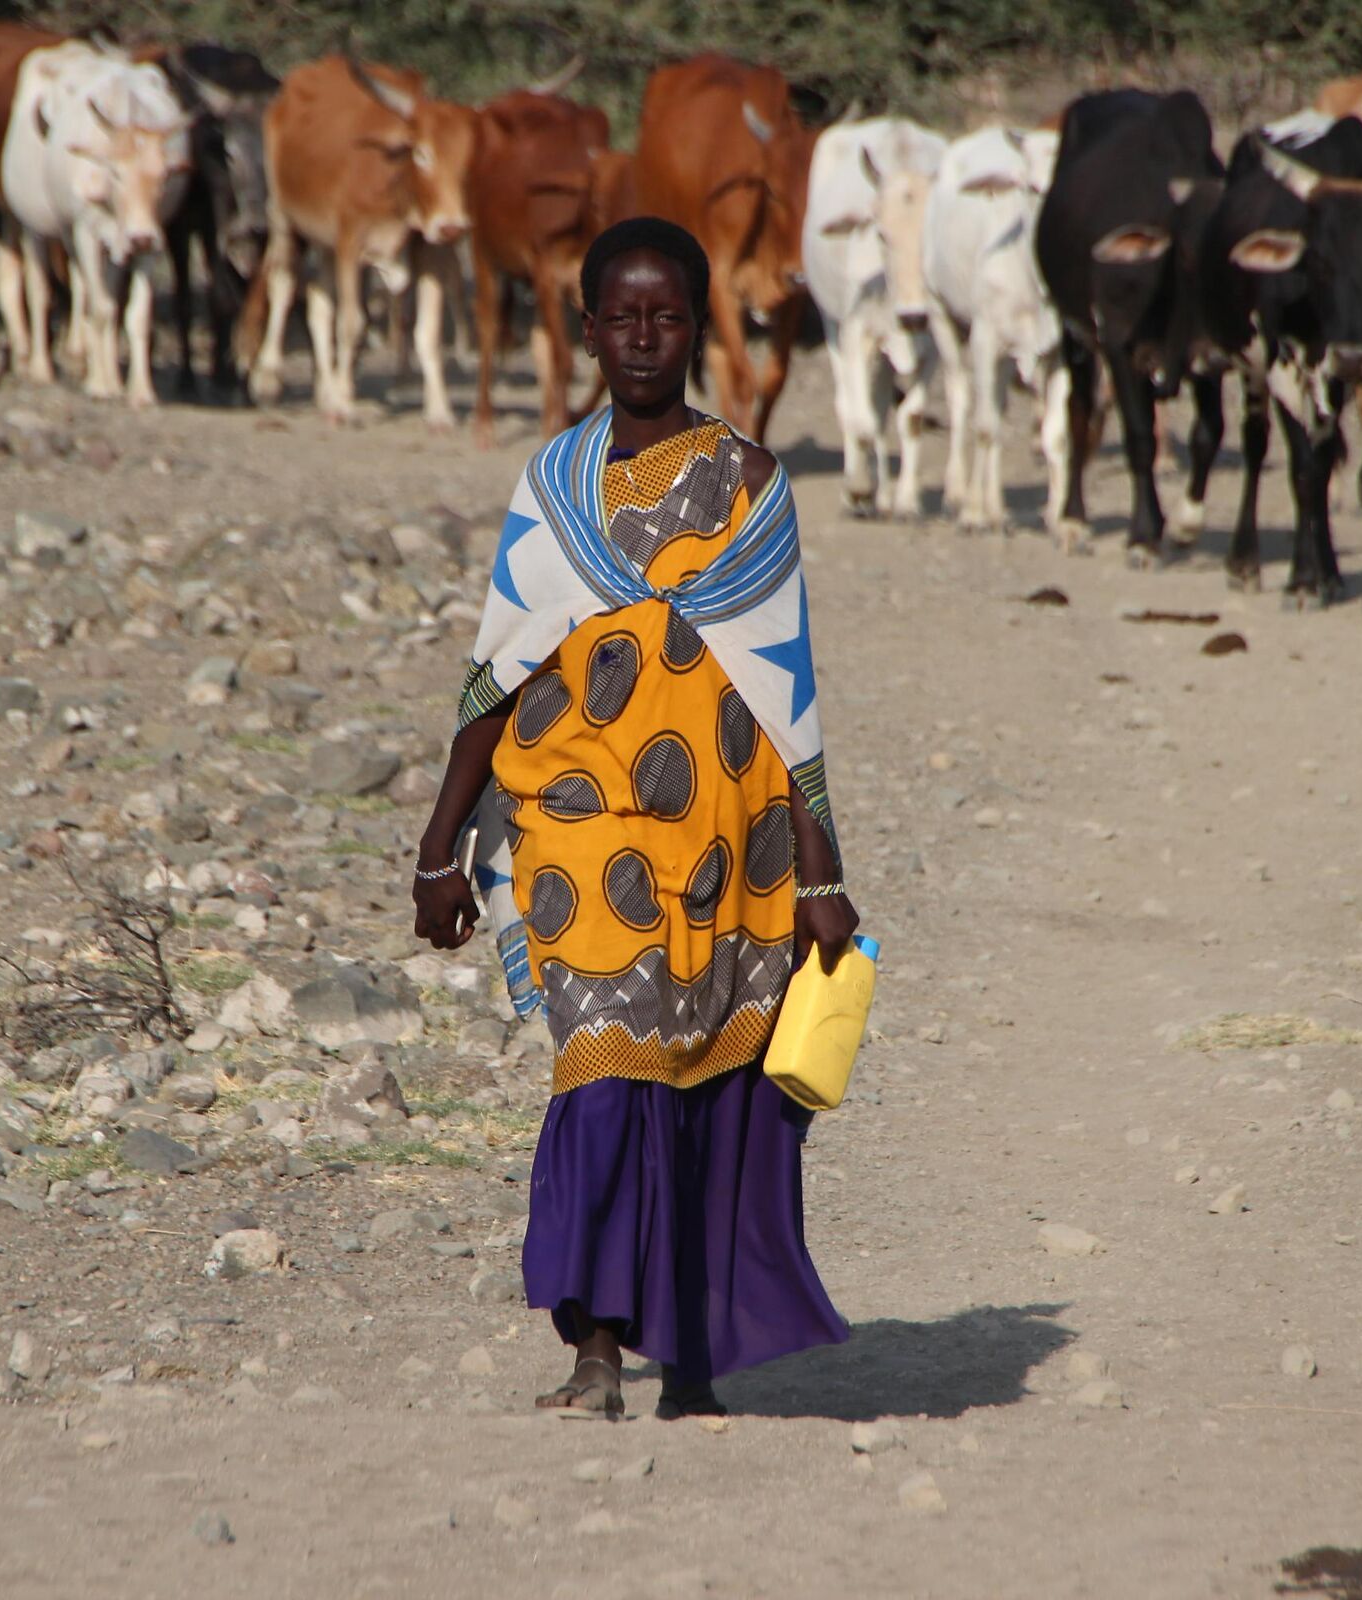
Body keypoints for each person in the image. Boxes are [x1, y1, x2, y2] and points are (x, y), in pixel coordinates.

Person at [411, 217, 856, 1421]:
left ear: (695, 326)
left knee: (708, 1082)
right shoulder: (552, 488)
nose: (645, 336)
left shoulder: (753, 485)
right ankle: (598, 1349)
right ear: (592, 328)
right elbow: (495, 672)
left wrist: (821, 868)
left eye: (667, 316)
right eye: (624, 316)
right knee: (601, 1070)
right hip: (577, 828)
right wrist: (439, 847)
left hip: (726, 837)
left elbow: (787, 694)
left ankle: (694, 1355)